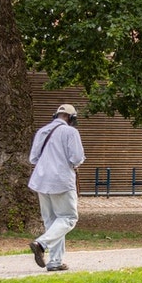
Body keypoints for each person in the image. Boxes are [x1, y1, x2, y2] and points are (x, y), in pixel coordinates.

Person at [28, 104, 85, 272]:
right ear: (71, 118)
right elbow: (77, 158)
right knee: (68, 218)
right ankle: (41, 243)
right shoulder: (70, 132)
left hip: (41, 180)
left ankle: (55, 262)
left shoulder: (42, 131)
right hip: (61, 180)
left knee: (52, 222)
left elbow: (33, 158)